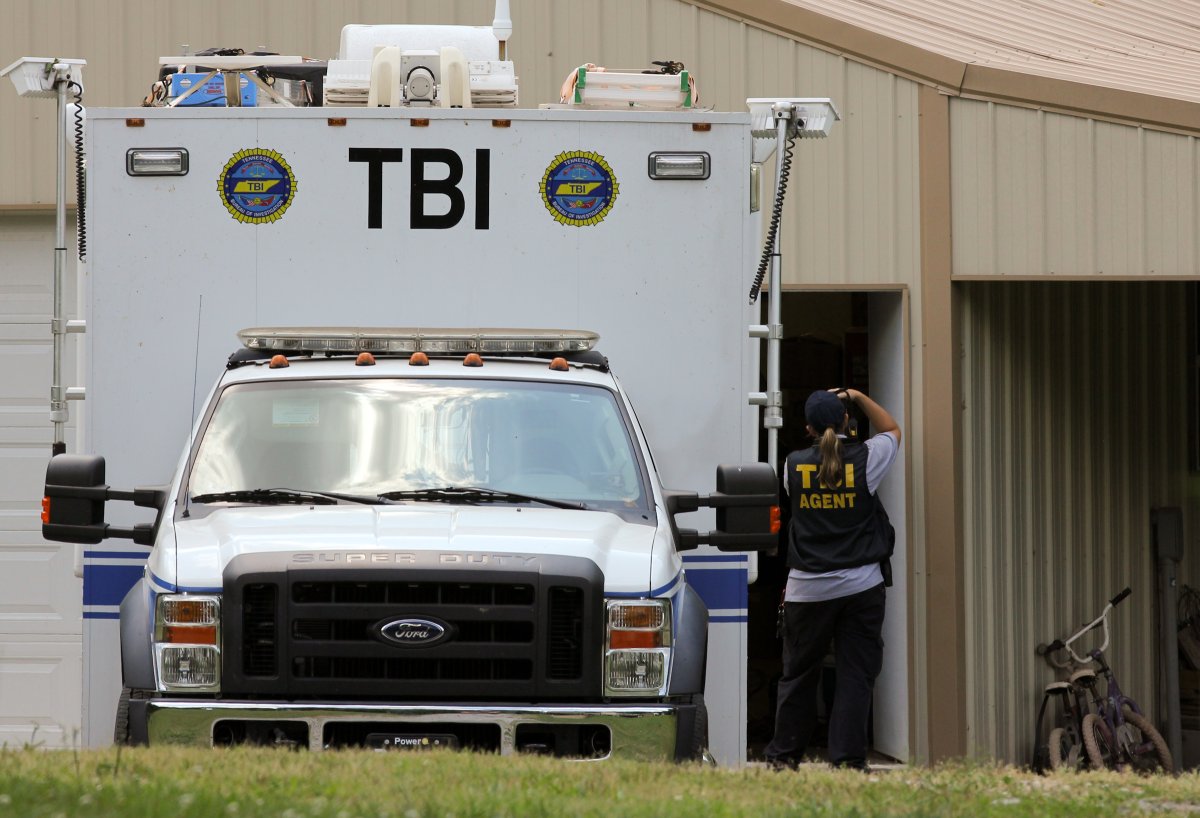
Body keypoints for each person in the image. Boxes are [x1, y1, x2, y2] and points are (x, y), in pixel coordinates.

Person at [765, 387, 901, 771]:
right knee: (855, 675)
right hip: (861, 586)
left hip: (807, 589)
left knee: (798, 676)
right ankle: (847, 762)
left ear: (807, 427)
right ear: (845, 421)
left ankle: (783, 757)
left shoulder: (792, 466)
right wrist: (856, 395)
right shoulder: (867, 459)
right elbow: (892, 429)